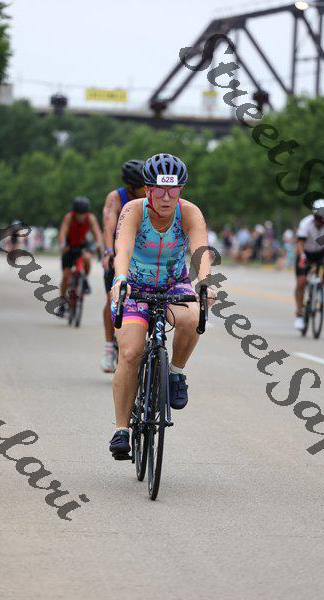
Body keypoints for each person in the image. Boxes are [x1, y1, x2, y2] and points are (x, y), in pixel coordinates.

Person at [108, 153, 217, 458]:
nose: (167, 197)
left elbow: (200, 251)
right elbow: (123, 249)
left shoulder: (189, 212)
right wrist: (120, 279)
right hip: (134, 285)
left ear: (181, 189)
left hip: (173, 283)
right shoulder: (133, 210)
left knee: (193, 317)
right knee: (130, 352)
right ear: (147, 189)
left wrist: (205, 282)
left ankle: (176, 372)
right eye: (159, 190)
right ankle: (121, 429)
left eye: (173, 190)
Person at [101, 160, 146, 373]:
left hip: (142, 256)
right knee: (112, 299)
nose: (146, 189)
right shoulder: (116, 197)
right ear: (130, 187)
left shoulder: (152, 195)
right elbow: (109, 227)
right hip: (118, 253)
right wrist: (109, 252)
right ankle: (109, 347)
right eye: (141, 186)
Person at [294, 199, 324, 331]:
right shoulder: (305, 223)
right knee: (301, 282)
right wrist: (302, 256)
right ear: (314, 215)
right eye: (318, 217)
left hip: (322, 251)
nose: (321, 220)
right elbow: (300, 243)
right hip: (305, 252)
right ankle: (299, 314)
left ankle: (320, 287)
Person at [57, 196, 103, 317]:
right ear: (75, 212)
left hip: (82, 245)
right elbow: (63, 232)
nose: (81, 217)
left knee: (87, 258)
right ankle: (62, 302)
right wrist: (62, 244)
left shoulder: (90, 218)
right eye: (78, 214)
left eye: (83, 214)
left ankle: (84, 279)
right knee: (66, 276)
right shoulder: (69, 217)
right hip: (69, 246)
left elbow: (97, 233)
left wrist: (99, 245)